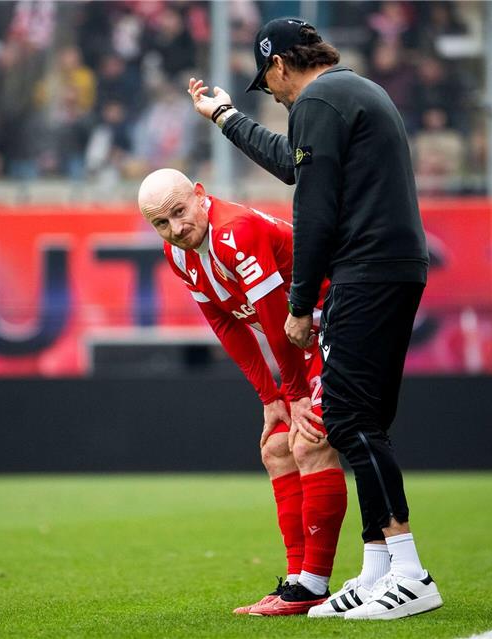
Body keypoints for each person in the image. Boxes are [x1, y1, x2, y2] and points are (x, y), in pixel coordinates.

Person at [187, 17, 442, 620]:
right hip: (394, 265)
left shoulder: (318, 101)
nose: (273, 96)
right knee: (361, 420)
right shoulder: (353, 91)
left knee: (351, 419)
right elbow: (294, 164)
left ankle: (410, 573)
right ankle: (377, 568)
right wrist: (226, 117)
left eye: (267, 82)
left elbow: (314, 208)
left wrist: (300, 306)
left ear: (279, 65)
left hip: (366, 270)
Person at [138, 168, 348, 616]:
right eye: (161, 223)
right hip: (300, 343)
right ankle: (297, 581)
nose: (176, 228)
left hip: (337, 327)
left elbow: (273, 316)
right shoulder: (178, 254)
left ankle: (314, 584)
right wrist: (269, 397)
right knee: (277, 449)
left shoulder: (235, 231)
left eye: (179, 212)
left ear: (200, 195)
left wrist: (294, 392)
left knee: (310, 441)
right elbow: (224, 323)